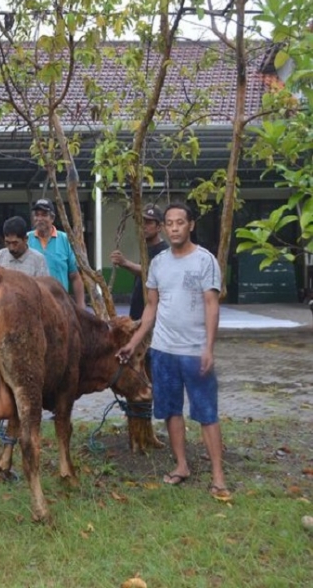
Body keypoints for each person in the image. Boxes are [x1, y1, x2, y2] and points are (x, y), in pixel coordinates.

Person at [118, 203, 229, 500]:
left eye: (180, 222)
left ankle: (218, 476)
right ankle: (182, 466)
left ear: (190, 225)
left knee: (207, 413)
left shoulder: (205, 261)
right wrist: (134, 341)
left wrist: (209, 347)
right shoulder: (158, 264)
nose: (175, 227)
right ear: (165, 228)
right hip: (163, 350)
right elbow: (151, 308)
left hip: (195, 352)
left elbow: (211, 305)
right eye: (170, 223)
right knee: (170, 411)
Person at [111, 205, 169, 320]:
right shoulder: (146, 248)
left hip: (153, 317)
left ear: (159, 227)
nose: (143, 226)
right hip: (138, 314)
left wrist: (125, 263)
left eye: (148, 223)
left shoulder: (164, 251)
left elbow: (151, 272)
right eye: (141, 222)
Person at [27, 198, 86, 309]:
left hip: (60, 304)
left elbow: (75, 277)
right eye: (37, 215)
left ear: (52, 218)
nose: (39, 219)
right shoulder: (26, 239)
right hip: (33, 306)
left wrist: (81, 305)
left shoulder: (66, 240)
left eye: (44, 215)